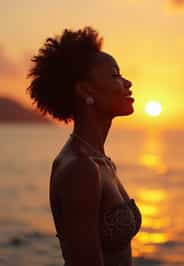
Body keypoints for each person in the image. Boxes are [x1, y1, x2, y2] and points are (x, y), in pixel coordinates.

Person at [26, 26, 142, 266]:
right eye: (115, 76)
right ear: (85, 89)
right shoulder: (80, 169)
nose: (127, 83)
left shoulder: (101, 162)